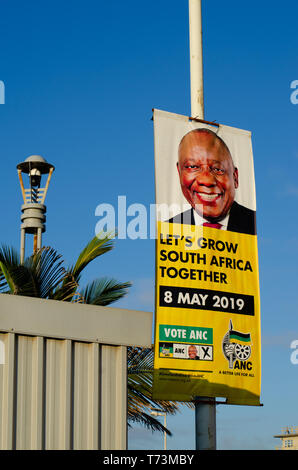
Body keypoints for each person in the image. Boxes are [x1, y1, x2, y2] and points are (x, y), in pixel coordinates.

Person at [168, 128, 256, 235]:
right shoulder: (169, 231)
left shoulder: (254, 226)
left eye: (218, 169)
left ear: (235, 177)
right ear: (179, 172)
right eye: (192, 167)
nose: (207, 180)